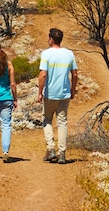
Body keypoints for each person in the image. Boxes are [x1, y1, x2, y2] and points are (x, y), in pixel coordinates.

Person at [38, 27, 78, 164]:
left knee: (47, 120)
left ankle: (51, 148)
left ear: (51, 39)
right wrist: (73, 90)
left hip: (50, 94)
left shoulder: (46, 54)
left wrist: (39, 92)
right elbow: (75, 74)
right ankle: (62, 153)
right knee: (62, 123)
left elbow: (43, 74)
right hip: (64, 94)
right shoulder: (69, 54)